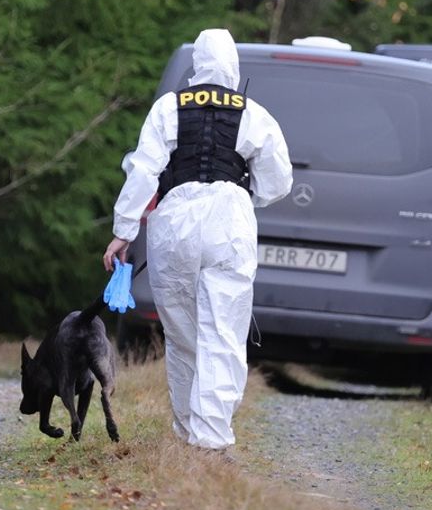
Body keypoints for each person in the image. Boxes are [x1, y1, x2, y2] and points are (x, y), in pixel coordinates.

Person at [102, 29, 292, 452]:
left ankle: (188, 431)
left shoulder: (168, 108)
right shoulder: (254, 114)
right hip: (229, 225)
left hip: (176, 224)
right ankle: (210, 440)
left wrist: (123, 232)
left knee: (184, 334)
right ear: (233, 67)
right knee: (223, 334)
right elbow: (279, 180)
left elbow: (143, 172)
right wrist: (248, 195)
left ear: (196, 68)